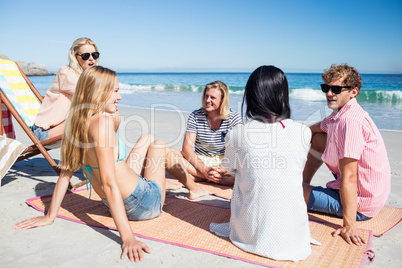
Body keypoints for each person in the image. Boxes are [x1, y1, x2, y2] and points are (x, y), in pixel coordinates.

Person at [14, 66, 209, 262]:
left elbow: (65, 175)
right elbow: (108, 183)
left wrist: (50, 216)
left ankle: (176, 182)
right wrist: (128, 238)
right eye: (115, 91)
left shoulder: (76, 123)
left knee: (147, 138)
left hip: (114, 202)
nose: (120, 97)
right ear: (99, 92)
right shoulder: (102, 124)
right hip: (144, 202)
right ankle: (193, 188)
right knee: (159, 146)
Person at [210, 66, 318, 261]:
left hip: (251, 234)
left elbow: (229, 169)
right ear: (283, 95)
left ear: (251, 96)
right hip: (294, 236)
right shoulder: (304, 132)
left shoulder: (237, 135)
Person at [302, 64, 391, 246]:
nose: (329, 93)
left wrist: (349, 225)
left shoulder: (349, 121)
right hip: (367, 188)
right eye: (326, 88)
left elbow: (350, 177)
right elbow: (316, 129)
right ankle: (303, 182)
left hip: (362, 203)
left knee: (287, 190)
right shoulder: (341, 114)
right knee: (318, 139)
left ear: (353, 92)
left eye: (336, 89)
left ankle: (300, 188)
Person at [32, 37, 100, 141]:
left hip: (61, 127)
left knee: (104, 116)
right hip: (44, 132)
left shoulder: (87, 76)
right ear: (75, 57)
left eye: (94, 55)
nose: (91, 59)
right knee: (96, 116)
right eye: (86, 56)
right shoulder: (66, 73)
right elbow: (93, 98)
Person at [181, 81, 242, 186]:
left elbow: (239, 149)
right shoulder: (195, 116)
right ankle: (214, 178)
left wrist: (223, 170)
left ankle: (204, 177)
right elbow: (186, 148)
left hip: (224, 164)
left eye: (212, 98)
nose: (207, 100)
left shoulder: (234, 117)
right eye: (206, 96)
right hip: (200, 161)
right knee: (171, 155)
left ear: (222, 100)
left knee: (249, 162)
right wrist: (205, 170)